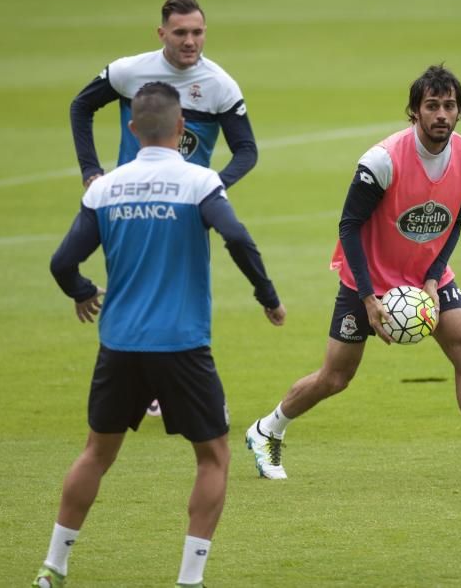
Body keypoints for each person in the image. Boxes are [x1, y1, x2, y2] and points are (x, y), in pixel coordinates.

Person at [33, 82, 286, 588]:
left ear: (131, 130)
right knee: (213, 456)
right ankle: (189, 579)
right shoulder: (198, 182)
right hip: (182, 346)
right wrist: (267, 296)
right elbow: (236, 236)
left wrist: (82, 290)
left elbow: (63, 262)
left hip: (120, 345)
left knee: (96, 454)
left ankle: (53, 567)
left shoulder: (105, 188)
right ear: (182, 128)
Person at [244, 65, 461, 486]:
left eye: (449, 106)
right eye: (431, 106)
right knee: (336, 376)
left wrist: (434, 278)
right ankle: (267, 429)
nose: (441, 115)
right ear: (413, 112)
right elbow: (348, 226)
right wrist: (367, 297)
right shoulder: (382, 160)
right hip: (368, 278)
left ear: (459, 111)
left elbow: (456, 220)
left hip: (425, 273)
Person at [71, 0, 259, 416]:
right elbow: (80, 106)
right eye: (180, 33)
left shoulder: (220, 86)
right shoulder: (129, 71)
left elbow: (246, 150)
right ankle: (147, 388)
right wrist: (90, 171)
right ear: (162, 34)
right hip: (130, 206)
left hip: (188, 209)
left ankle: (186, 389)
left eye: (197, 32)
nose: (190, 41)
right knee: (134, 288)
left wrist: (211, 188)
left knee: (189, 295)